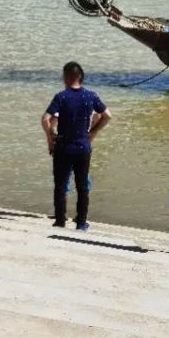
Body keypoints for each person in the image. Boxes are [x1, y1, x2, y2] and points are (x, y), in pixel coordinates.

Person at [42, 61, 111, 231]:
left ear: (66, 77)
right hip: (82, 146)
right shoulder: (90, 96)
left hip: (63, 146)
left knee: (60, 185)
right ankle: (81, 223)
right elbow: (107, 115)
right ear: (81, 76)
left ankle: (60, 221)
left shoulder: (61, 96)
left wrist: (50, 136)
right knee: (82, 186)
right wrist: (93, 132)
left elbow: (45, 119)